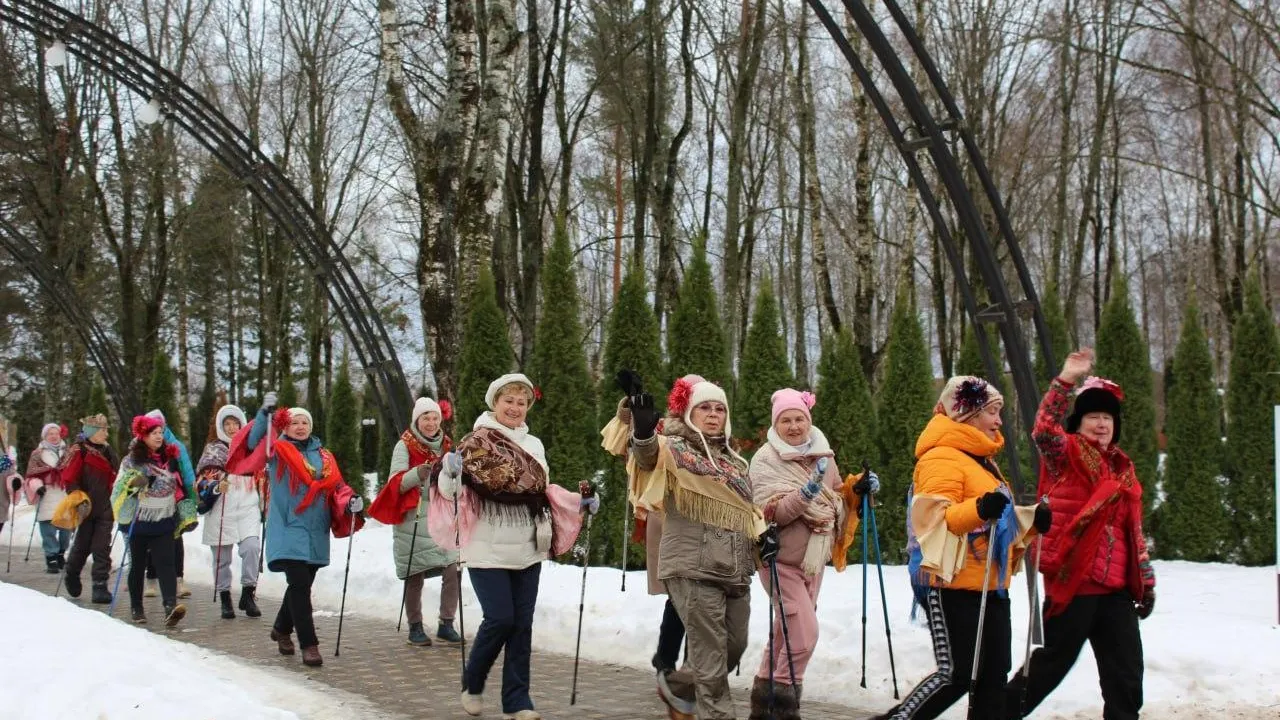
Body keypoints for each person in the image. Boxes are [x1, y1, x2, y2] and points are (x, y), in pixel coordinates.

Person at [869, 376, 1048, 720]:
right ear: (967, 415)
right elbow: (934, 520)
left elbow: (996, 517)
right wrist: (981, 508)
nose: (999, 421)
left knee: (993, 678)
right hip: (950, 582)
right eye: (992, 412)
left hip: (989, 584)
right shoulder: (942, 458)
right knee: (957, 673)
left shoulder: (980, 458)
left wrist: (1031, 519)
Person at [429, 374, 597, 720]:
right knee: (501, 618)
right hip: (485, 547)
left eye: (522, 402)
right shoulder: (475, 441)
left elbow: (543, 493)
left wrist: (580, 503)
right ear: (495, 403)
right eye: (509, 400)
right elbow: (449, 492)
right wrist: (448, 470)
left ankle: (518, 700)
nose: (515, 408)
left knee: (522, 625)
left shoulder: (534, 445)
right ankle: (473, 681)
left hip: (528, 545)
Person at [1004, 348, 1155, 720]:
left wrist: (1146, 581)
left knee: (1126, 678)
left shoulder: (1122, 471)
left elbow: (1131, 532)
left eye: (1107, 417)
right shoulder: (1065, 456)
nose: (1101, 424)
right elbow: (1043, 428)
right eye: (1093, 416)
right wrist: (1066, 379)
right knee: (1049, 668)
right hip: (1074, 586)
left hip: (1116, 591)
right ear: (1079, 422)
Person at [623, 373, 765, 720]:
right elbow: (647, 457)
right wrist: (642, 432)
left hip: (734, 571)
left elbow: (749, 512)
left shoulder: (735, 462)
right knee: (711, 658)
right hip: (692, 566)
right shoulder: (674, 448)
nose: (714, 414)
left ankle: (678, 686)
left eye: (720, 408)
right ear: (689, 413)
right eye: (704, 407)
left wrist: (765, 537)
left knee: (734, 647)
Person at [746, 388, 874, 719]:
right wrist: (807, 492)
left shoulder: (823, 454)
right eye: (785, 420)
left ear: (808, 419)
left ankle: (763, 703)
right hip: (778, 562)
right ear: (776, 424)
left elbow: (835, 500)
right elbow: (770, 513)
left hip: (813, 561)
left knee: (784, 633)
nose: (793, 426)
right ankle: (786, 704)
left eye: (799, 418)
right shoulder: (764, 460)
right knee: (805, 632)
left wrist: (857, 490)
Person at [244, 394, 364, 668]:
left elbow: (337, 488)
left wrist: (352, 501)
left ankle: (281, 628)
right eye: (294, 422)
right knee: (299, 584)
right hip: (287, 526)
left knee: (302, 584)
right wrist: (266, 413)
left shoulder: (324, 455)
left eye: (304, 422)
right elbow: (253, 443)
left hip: (316, 527)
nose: (300, 427)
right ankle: (309, 645)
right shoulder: (276, 451)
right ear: (285, 426)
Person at [368, 396, 462, 647]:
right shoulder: (404, 446)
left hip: (442, 515)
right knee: (415, 573)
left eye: (434, 418)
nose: (431, 423)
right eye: (425, 418)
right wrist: (417, 473)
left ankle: (446, 623)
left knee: (453, 569)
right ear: (416, 420)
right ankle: (415, 626)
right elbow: (395, 483)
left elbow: (456, 480)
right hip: (415, 517)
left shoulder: (447, 446)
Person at [111, 414, 197, 626]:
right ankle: (136, 607)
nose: (159, 437)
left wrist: (188, 500)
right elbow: (119, 487)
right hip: (139, 521)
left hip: (164, 519)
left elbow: (178, 485)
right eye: (154, 433)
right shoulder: (131, 460)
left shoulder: (170, 458)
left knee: (166, 563)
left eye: (161, 433)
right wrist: (135, 483)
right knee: (138, 565)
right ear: (144, 435)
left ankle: (170, 606)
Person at [196, 396, 262, 619]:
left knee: (252, 547)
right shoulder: (213, 449)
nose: (232, 428)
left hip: (247, 500)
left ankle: (248, 592)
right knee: (221, 556)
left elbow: (262, 470)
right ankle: (225, 596)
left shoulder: (250, 447)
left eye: (236, 423)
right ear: (220, 427)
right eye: (227, 424)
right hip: (222, 503)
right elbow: (203, 478)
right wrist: (216, 484)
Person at [62, 414, 120, 604]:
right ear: (92, 432)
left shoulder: (109, 451)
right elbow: (69, 478)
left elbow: (118, 474)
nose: (106, 433)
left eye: (106, 430)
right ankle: (72, 572)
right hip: (85, 506)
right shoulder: (79, 451)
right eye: (103, 430)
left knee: (101, 547)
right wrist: (77, 498)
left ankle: (100, 586)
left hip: (105, 506)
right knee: (82, 545)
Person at [142, 409, 195, 600]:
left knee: (176, 538)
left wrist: (191, 494)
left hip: (174, 498)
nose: (158, 433)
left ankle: (179, 580)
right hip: (150, 502)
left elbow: (187, 471)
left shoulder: (175, 446)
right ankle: (151, 579)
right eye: (153, 429)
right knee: (151, 539)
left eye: (160, 428)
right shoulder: (142, 449)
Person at [23, 423, 72, 573]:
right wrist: (38, 487)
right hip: (47, 494)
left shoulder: (68, 452)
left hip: (64, 493)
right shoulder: (37, 454)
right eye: (50, 433)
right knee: (48, 530)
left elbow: (74, 471)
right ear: (45, 436)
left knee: (66, 531)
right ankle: (51, 556)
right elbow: (31, 475)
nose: (53, 435)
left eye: (55, 433)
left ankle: (61, 553)